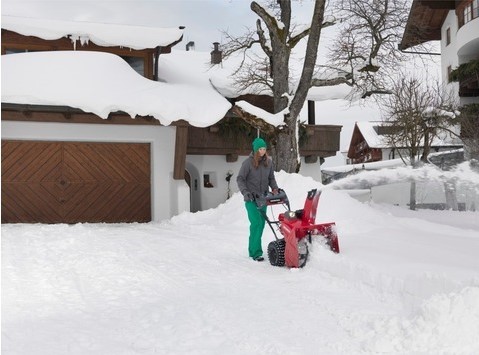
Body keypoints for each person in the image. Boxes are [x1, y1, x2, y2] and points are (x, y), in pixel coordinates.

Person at [237, 137, 279, 262]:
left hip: (263, 198)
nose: (262, 151)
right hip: (251, 199)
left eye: (264, 148)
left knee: (261, 224)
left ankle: (253, 250)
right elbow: (240, 179)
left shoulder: (269, 162)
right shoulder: (247, 163)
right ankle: (255, 253)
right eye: (260, 149)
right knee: (256, 223)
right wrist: (246, 193)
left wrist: (275, 188)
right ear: (255, 150)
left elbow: (271, 178)